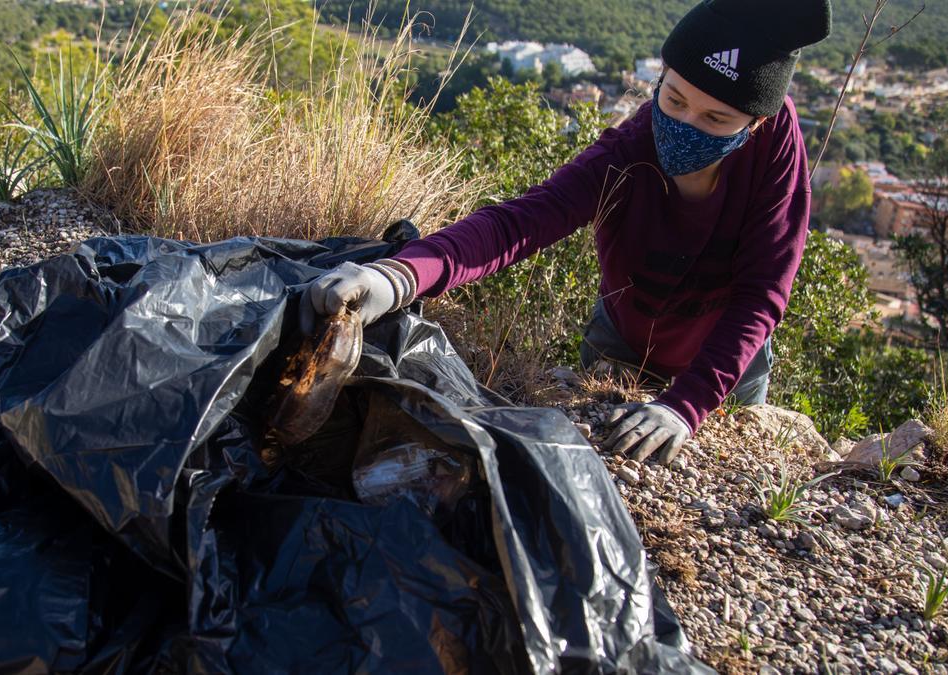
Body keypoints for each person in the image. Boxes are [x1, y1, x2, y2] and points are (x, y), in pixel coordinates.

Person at [300, 0, 832, 465]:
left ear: (755, 124)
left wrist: (684, 407)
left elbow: (762, 290)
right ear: (660, 80)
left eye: (716, 119)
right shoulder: (627, 153)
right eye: (672, 101)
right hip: (622, 338)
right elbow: (521, 222)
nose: (687, 124)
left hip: (726, 360)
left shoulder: (775, 152)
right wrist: (399, 276)